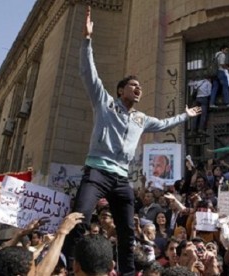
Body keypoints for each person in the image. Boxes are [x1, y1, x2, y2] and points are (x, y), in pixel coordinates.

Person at [64, 6, 202, 276]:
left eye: (140, 87)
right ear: (120, 90)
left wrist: (184, 115)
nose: (139, 88)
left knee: (127, 231)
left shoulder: (141, 118)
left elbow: (163, 124)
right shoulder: (105, 104)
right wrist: (87, 41)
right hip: (97, 172)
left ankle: (127, 272)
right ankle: (69, 266)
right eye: (133, 85)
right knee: (79, 218)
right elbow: (88, 74)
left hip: (121, 180)